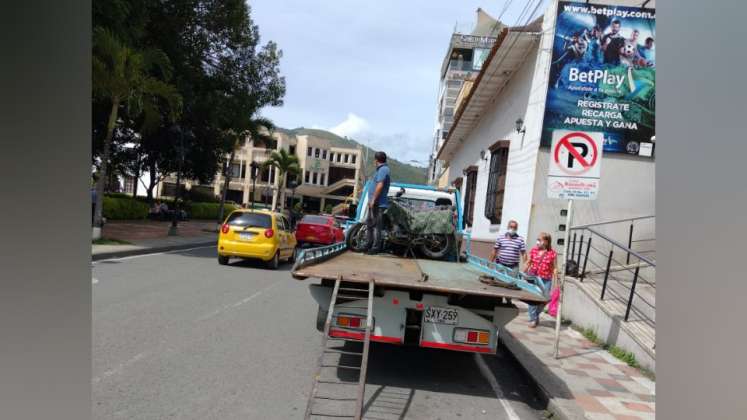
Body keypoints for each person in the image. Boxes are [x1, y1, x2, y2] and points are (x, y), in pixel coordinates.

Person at [524, 232, 558, 328]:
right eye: (537, 239)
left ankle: (535, 315)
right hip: (534, 278)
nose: (538, 241)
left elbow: (555, 267)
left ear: (546, 242)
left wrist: (556, 281)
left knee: (545, 299)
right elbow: (528, 263)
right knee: (532, 299)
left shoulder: (552, 253)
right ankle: (533, 319)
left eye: (540, 240)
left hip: (546, 279)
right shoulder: (534, 251)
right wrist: (523, 273)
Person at [364, 151, 391, 255]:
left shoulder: (384, 169)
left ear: (376, 160)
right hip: (374, 203)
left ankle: (375, 248)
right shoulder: (380, 170)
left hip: (378, 204)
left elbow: (380, 185)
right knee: (370, 225)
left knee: (376, 227)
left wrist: (373, 200)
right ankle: (368, 245)